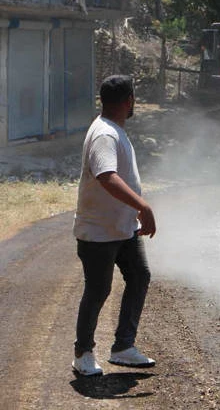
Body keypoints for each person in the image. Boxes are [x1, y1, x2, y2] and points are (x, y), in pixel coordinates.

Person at [71, 75, 157, 376]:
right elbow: (106, 176)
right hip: (99, 232)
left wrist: (133, 214)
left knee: (139, 276)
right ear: (129, 101)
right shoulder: (105, 135)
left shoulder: (114, 129)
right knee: (97, 290)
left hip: (122, 228)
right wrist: (142, 205)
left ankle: (123, 347)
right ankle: (83, 354)